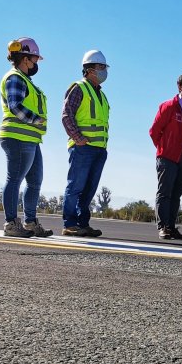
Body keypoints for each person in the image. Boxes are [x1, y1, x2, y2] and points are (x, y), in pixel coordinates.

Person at [0, 37, 53, 238]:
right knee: (15, 179)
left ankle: (30, 223)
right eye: (35, 59)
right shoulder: (15, 78)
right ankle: (11, 223)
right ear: (26, 58)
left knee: (35, 181)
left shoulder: (26, 81)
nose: (37, 63)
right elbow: (15, 105)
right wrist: (35, 119)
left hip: (30, 139)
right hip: (17, 136)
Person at [61, 50, 110, 237]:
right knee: (75, 186)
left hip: (99, 149)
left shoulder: (102, 96)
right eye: (101, 67)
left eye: (105, 67)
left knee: (89, 189)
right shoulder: (79, 88)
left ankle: (83, 223)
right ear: (89, 69)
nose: (104, 71)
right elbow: (66, 115)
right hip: (83, 148)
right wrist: (77, 138)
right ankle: (70, 224)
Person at [149, 72, 182, 240]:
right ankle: (163, 227)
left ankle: (171, 227)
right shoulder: (168, 106)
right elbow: (154, 131)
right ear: (180, 87)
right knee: (165, 192)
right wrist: (164, 149)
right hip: (168, 156)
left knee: (176, 194)